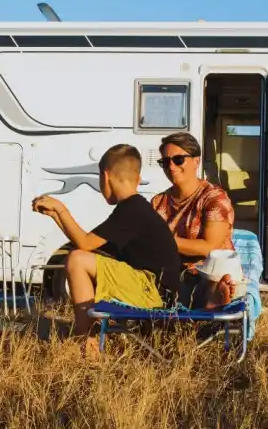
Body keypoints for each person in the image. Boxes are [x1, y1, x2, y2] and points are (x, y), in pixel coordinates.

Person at [32, 144, 181, 354]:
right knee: (83, 258)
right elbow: (93, 247)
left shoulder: (131, 210)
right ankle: (88, 337)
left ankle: (86, 342)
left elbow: (84, 243)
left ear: (105, 176)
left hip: (152, 292)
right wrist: (56, 216)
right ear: (137, 179)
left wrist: (61, 209)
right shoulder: (136, 208)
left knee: (77, 259)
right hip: (154, 288)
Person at [152, 132, 237, 308]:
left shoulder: (214, 198)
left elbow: (209, 247)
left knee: (200, 281)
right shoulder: (158, 201)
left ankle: (214, 296)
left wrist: (165, 242)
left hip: (206, 271)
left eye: (178, 160)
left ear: (196, 161)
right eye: (165, 162)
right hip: (169, 272)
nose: (171, 167)